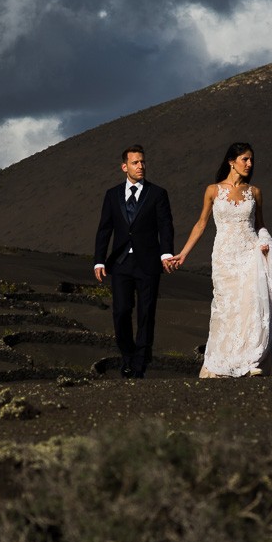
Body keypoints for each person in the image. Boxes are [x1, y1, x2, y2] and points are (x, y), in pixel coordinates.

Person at [167, 143, 272, 377]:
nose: (250, 164)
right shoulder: (213, 190)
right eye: (245, 159)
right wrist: (183, 253)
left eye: (252, 160)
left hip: (250, 253)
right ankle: (223, 364)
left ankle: (254, 361)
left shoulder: (255, 192)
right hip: (224, 256)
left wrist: (266, 244)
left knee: (251, 305)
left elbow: (260, 225)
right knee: (226, 308)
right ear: (231, 161)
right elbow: (201, 224)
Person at [94, 144, 176, 379]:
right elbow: (104, 229)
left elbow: (165, 225)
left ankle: (139, 362)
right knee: (120, 311)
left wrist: (166, 254)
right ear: (124, 167)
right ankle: (127, 356)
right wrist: (99, 261)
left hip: (149, 262)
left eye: (143, 162)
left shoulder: (158, 193)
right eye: (135, 163)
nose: (141, 166)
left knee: (146, 313)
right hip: (120, 263)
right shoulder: (112, 194)